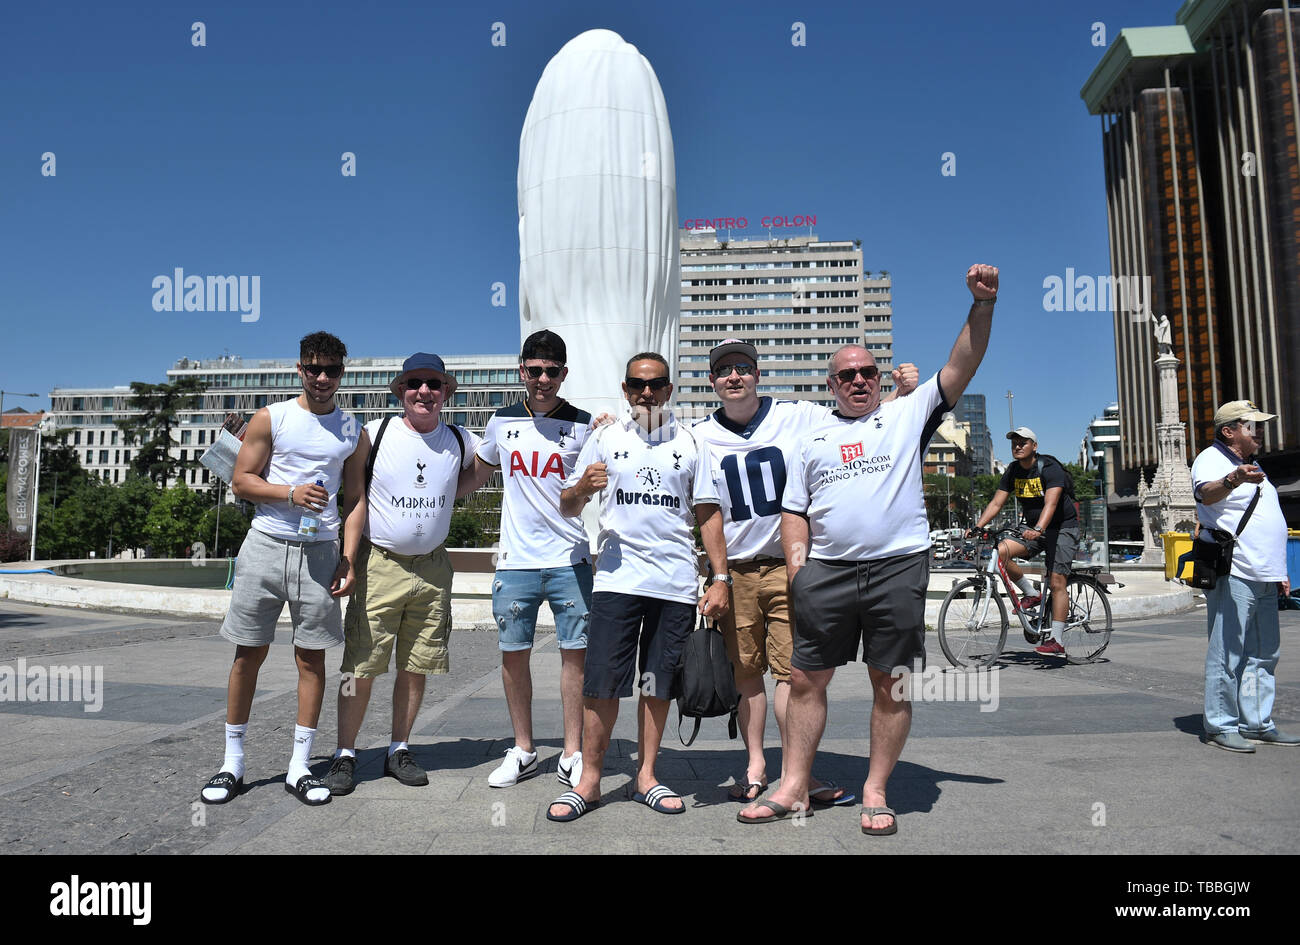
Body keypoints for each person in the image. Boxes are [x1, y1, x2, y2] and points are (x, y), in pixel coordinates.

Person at [746, 264, 997, 835]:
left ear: (879, 379)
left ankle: (875, 788)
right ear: (832, 386)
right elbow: (793, 510)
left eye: (867, 372)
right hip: (827, 572)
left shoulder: (907, 414)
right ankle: (793, 785)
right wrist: (796, 564)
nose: (859, 381)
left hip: (896, 568)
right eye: (847, 375)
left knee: (893, 680)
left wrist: (981, 306)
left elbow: (962, 364)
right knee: (806, 680)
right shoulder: (810, 437)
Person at [692, 338, 918, 805]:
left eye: (743, 367)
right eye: (724, 370)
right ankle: (756, 764)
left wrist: (903, 394)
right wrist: (609, 423)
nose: (734, 376)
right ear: (712, 381)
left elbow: (861, 415)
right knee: (746, 673)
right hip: (734, 568)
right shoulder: (698, 435)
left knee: (795, 675)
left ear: (758, 374)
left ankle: (797, 773)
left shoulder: (799, 414)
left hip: (789, 565)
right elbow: (694, 491)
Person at [546, 352, 730, 821]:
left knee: (657, 682)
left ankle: (646, 774)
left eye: (656, 384)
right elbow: (567, 506)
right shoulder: (605, 437)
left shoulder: (691, 443)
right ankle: (589, 780)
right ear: (626, 389)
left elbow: (707, 512)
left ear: (669, 389)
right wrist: (582, 488)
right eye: (637, 384)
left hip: (673, 582)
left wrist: (721, 576)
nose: (646, 392)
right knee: (603, 682)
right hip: (616, 579)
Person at [201, 331, 364, 807]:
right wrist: (289, 492)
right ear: (299, 368)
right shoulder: (273, 417)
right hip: (267, 545)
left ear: (341, 373)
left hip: (320, 553)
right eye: (313, 368)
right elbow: (242, 481)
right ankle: (232, 763)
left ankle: (299, 766)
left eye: (331, 369)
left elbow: (354, 500)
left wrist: (348, 557)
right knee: (247, 653)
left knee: (312, 658)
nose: (321, 377)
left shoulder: (353, 430)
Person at [321, 353, 479, 795]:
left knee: (416, 664)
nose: (423, 392)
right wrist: (348, 557)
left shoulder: (461, 439)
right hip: (381, 563)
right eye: (414, 384)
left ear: (446, 391)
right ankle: (345, 754)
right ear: (401, 391)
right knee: (361, 664)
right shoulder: (377, 432)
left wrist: (449, 495)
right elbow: (353, 493)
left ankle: (399, 748)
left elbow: (488, 464)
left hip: (432, 568)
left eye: (433, 384)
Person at [457, 330, 594, 789]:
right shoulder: (501, 422)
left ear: (563, 374)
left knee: (575, 658)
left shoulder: (584, 425)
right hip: (515, 560)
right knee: (513, 655)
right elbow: (473, 477)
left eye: (551, 372)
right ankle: (524, 749)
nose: (542, 379)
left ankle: (573, 751)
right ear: (522, 371)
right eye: (534, 371)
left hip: (570, 557)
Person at [1191, 400, 1297, 751]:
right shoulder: (1213, 459)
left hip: (1264, 574)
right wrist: (1234, 478)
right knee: (1228, 653)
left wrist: (1280, 571)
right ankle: (1221, 723)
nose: (1260, 432)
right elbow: (1205, 495)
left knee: (1264, 655)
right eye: (1254, 426)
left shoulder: (1251, 464)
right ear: (1230, 430)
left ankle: (1256, 721)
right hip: (1235, 570)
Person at [968, 427, 1080, 657]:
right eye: (1014, 443)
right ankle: (1032, 594)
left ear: (1034, 446)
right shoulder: (1013, 471)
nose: (1017, 446)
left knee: (1057, 580)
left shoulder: (1050, 469)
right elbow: (996, 503)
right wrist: (978, 526)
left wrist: (1039, 528)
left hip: (1061, 527)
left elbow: (1051, 503)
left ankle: (1056, 640)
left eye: (1023, 443)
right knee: (1001, 552)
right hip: (1032, 529)